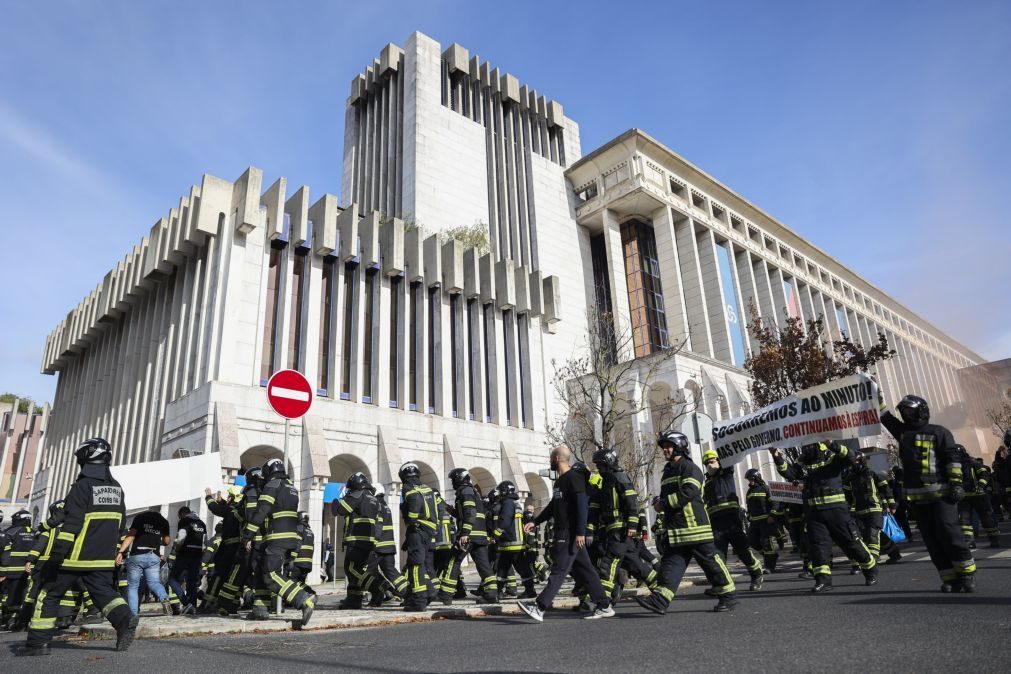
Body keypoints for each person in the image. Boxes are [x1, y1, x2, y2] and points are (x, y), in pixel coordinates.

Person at [17, 438, 138, 657]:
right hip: (102, 557)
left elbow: (72, 524)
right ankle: (124, 619)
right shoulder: (116, 488)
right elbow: (121, 523)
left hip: (73, 557)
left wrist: (56, 555)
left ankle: (38, 644)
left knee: (49, 592)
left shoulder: (82, 486)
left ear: (85, 459)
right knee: (104, 593)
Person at [880, 395, 977, 592]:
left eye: (910, 411)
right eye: (904, 412)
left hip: (942, 495)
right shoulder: (903, 433)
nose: (907, 415)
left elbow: (951, 458)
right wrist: (876, 395)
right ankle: (949, 578)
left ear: (921, 411)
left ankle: (967, 574)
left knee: (950, 534)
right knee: (932, 540)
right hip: (917, 499)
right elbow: (885, 417)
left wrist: (956, 484)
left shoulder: (939, 432)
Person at [636, 431, 738, 615]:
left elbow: (690, 491)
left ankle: (729, 595)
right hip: (677, 531)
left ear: (679, 447)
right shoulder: (668, 471)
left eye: (669, 446)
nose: (665, 449)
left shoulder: (689, 468)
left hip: (694, 528)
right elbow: (670, 495)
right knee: (670, 566)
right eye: (664, 446)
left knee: (711, 564)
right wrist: (659, 501)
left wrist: (664, 504)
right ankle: (660, 600)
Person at [517, 447, 614, 622]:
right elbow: (553, 507)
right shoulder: (559, 482)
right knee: (587, 570)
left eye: (550, 459)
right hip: (566, 532)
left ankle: (539, 607)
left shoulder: (574, 479)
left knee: (559, 570)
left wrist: (580, 532)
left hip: (570, 533)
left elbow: (582, 506)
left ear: (556, 459)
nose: (549, 462)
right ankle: (604, 606)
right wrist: (535, 522)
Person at [771, 442, 878, 593]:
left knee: (850, 543)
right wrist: (777, 457)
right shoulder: (802, 463)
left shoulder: (832, 458)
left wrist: (832, 444)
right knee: (818, 547)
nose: (806, 448)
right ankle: (823, 580)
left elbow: (850, 457)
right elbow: (789, 473)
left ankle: (870, 569)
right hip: (814, 513)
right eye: (805, 446)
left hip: (836, 511)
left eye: (810, 445)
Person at [241, 458, 315, 626]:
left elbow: (261, 511)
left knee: (270, 574)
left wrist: (248, 535)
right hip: (288, 537)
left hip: (276, 537)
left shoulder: (272, 485)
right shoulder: (291, 487)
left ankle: (303, 598)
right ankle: (260, 609)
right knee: (261, 571)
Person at [589, 448, 657, 603]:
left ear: (609, 463)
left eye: (601, 466)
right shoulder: (606, 481)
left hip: (621, 529)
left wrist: (633, 525)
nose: (599, 469)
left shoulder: (619, 477)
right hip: (612, 528)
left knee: (608, 563)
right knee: (633, 563)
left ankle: (603, 603)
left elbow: (632, 502)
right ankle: (660, 588)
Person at [701, 450, 764, 591]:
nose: (709, 465)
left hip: (731, 520)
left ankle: (756, 574)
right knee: (718, 556)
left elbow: (728, 460)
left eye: (712, 462)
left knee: (743, 551)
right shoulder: (707, 483)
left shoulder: (726, 473)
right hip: (716, 523)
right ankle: (721, 584)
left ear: (718, 461)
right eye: (707, 463)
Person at [437, 468, 498, 605]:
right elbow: (465, 514)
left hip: (469, 536)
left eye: (453, 480)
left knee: (453, 561)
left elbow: (470, 513)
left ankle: (445, 595)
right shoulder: (472, 492)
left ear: (459, 478)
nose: (452, 483)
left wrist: (464, 533)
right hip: (479, 536)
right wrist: (450, 509)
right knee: (484, 566)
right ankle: (491, 594)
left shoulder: (465, 491)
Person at [842, 452, 902, 569]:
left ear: (861, 462)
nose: (851, 465)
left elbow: (886, 489)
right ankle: (894, 553)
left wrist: (892, 505)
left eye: (853, 462)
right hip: (859, 512)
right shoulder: (849, 479)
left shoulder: (872, 474)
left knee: (872, 533)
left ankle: (872, 559)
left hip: (875, 509)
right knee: (871, 534)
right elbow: (847, 496)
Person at [217, 466, 264, 615]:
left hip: (250, 541)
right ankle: (264, 605)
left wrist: (247, 537)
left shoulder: (250, 493)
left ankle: (226, 605)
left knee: (237, 572)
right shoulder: (265, 492)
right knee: (261, 574)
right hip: (263, 541)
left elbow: (247, 516)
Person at [331, 471, 380, 610]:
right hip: (368, 540)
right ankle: (354, 600)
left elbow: (341, 510)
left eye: (350, 488)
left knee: (351, 569)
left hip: (357, 538)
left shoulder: (357, 494)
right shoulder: (373, 498)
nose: (350, 490)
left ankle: (377, 587)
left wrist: (337, 502)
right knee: (356, 570)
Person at [118, 505, 172, 616]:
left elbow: (131, 535)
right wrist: (158, 542)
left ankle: (133, 614)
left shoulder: (140, 517)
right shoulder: (163, 521)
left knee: (133, 586)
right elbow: (167, 541)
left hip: (137, 554)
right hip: (153, 556)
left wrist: (121, 551)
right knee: (154, 583)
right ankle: (164, 598)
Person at [399, 462, 438, 611]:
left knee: (415, 565)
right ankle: (429, 591)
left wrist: (412, 520)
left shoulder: (408, 488)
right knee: (420, 564)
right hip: (429, 530)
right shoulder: (427, 488)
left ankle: (419, 601)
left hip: (418, 529)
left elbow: (414, 502)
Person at [490, 480, 537, 599]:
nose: (499, 494)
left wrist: (495, 535)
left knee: (517, 569)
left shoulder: (508, 503)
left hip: (511, 544)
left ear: (505, 491)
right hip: (513, 544)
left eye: (500, 491)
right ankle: (499, 593)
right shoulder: (515, 503)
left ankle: (529, 591)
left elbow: (505, 521)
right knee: (503, 569)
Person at [201, 486, 244, 612]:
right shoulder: (238, 510)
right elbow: (227, 508)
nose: (228, 498)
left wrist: (209, 497)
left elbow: (215, 509)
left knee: (218, 576)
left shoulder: (231, 511)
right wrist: (222, 501)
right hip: (237, 550)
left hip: (228, 549)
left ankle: (208, 603)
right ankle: (232, 605)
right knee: (233, 577)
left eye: (230, 496)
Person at [369, 484, 407, 604]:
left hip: (378, 546)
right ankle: (408, 592)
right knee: (390, 571)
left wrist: (372, 542)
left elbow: (377, 527)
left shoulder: (377, 506)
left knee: (370, 572)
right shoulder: (386, 506)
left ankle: (379, 594)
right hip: (388, 546)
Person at [956, 448, 1000, 549]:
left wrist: (981, 485)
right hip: (964, 497)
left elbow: (985, 474)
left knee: (987, 519)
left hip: (979, 496)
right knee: (964, 521)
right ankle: (969, 541)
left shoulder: (973, 463)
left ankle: (994, 539)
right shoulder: (954, 466)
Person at [1, 509, 35, 629]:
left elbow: (5, 554)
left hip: (10, 572)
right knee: (23, 595)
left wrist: (2, 571)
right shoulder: (35, 533)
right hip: (28, 572)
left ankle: (9, 619)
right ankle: (18, 618)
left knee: (9, 596)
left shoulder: (10, 532)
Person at [169, 506, 206, 615]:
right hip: (197, 556)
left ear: (182, 514)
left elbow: (181, 537)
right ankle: (192, 607)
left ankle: (185, 602)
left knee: (172, 579)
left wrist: (178, 549)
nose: (179, 518)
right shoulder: (202, 524)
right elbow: (204, 543)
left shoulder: (184, 521)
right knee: (192, 582)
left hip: (184, 554)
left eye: (179, 516)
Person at [744, 468, 779, 573]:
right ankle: (771, 555)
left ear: (757, 478)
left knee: (766, 543)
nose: (750, 481)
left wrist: (772, 515)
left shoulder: (765, 488)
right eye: (748, 480)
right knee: (752, 541)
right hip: (754, 523)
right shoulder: (749, 491)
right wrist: (749, 515)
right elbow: (749, 506)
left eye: (751, 479)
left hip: (766, 521)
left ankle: (769, 566)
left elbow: (775, 503)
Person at [292, 512, 315, 585]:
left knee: (292, 583)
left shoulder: (299, 528)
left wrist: (292, 558)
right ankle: (308, 595)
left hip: (298, 562)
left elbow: (297, 544)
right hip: (307, 564)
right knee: (301, 584)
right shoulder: (310, 531)